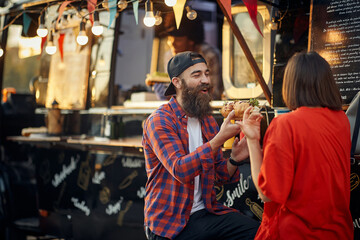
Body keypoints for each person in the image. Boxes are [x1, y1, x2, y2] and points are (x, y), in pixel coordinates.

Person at [142, 51, 259, 240]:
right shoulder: (160, 121)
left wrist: (234, 158)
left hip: (205, 213)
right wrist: (219, 140)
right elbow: (180, 170)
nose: (205, 80)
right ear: (177, 82)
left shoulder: (207, 120)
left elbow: (220, 176)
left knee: (258, 233)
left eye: (206, 73)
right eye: (196, 75)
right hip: (169, 224)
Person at [238, 51, 354, 239]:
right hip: (338, 231)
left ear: (291, 84)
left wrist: (252, 140)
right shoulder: (341, 120)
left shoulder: (286, 124)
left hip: (296, 232)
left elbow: (267, 194)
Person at [154, 13, 223, 101]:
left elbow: (214, 94)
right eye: (170, 38)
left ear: (191, 40)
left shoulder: (209, 55)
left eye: (178, 40)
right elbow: (171, 91)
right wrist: (166, 93)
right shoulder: (169, 56)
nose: (172, 43)